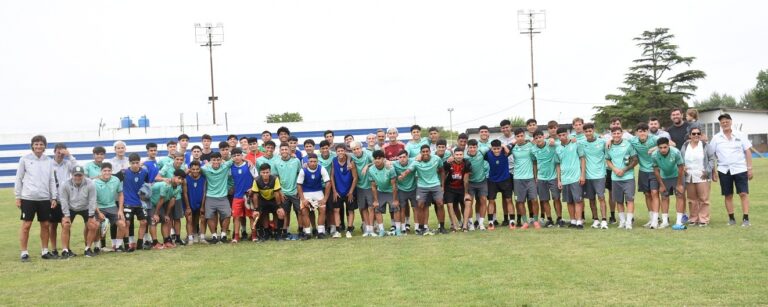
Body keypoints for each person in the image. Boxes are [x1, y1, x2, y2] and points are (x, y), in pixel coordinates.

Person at [15, 135, 59, 261]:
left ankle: (45, 251)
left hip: (44, 198)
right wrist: (18, 196)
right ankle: (24, 252)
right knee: (26, 225)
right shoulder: (24, 159)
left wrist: (54, 197)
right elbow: (19, 178)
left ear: (45, 146)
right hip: (28, 198)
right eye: (36, 144)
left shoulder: (49, 161)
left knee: (45, 225)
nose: (39, 146)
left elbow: (51, 180)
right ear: (32, 145)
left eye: (41, 144)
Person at [710, 113, 754, 227]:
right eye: (722, 122)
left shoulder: (740, 135)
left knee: (743, 193)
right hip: (724, 170)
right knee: (728, 195)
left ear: (731, 122)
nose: (725, 124)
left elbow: (748, 151)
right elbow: (711, 155)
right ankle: (731, 218)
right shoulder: (716, 138)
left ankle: (746, 218)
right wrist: (713, 171)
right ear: (720, 124)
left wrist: (749, 168)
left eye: (726, 121)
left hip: (740, 169)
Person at [58, 166, 98, 258]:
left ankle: (88, 249)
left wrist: (91, 215)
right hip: (71, 207)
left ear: (83, 175)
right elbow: (63, 200)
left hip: (85, 207)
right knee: (66, 225)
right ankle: (65, 250)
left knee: (93, 225)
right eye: (75, 175)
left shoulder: (90, 183)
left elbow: (92, 200)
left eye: (80, 175)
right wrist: (66, 215)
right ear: (72, 175)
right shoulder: (65, 184)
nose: (78, 177)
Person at [680, 127, 715, 227]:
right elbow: (681, 158)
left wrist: (708, 170)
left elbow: (712, 159)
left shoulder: (705, 145)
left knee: (704, 199)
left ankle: (703, 219)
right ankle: (693, 218)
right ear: (690, 135)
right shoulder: (685, 145)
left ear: (700, 135)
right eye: (693, 133)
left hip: (702, 175)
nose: (696, 135)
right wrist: (683, 167)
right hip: (689, 176)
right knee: (691, 199)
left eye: (698, 133)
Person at [605, 127, 639, 230]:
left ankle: (629, 222)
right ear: (611, 134)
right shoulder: (608, 146)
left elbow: (635, 160)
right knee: (618, 201)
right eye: (614, 133)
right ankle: (622, 221)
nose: (616, 135)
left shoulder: (628, 144)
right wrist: (615, 169)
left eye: (618, 133)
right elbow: (608, 160)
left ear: (622, 133)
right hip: (615, 178)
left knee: (630, 199)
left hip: (628, 177)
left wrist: (624, 170)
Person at [628, 123, 660, 228]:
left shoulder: (654, 139)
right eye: (640, 131)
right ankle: (651, 219)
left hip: (655, 170)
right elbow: (620, 140)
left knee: (654, 193)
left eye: (645, 131)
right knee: (647, 194)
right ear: (637, 133)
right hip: (643, 171)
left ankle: (655, 220)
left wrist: (655, 148)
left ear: (648, 131)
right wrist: (609, 140)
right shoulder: (633, 140)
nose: (642, 133)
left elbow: (670, 144)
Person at [408, 145, 445, 235]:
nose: (425, 153)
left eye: (426, 151)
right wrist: (402, 176)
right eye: (423, 151)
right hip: (422, 186)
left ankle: (442, 227)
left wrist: (442, 185)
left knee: (440, 203)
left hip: (435, 184)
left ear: (430, 152)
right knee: (420, 205)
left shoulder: (436, 159)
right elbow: (408, 169)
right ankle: (421, 228)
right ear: (420, 153)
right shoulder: (416, 161)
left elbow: (442, 170)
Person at [49, 143, 78, 258]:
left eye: (63, 152)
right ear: (54, 152)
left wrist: (70, 155)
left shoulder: (68, 164)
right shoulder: (49, 164)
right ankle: (54, 249)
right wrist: (52, 197)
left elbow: (78, 169)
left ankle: (67, 248)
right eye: (58, 152)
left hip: (67, 199)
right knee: (52, 225)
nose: (60, 154)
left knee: (66, 224)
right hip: (53, 199)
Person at [651, 137, 686, 230]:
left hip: (676, 176)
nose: (663, 149)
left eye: (665, 147)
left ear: (668, 145)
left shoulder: (676, 152)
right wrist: (661, 185)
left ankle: (679, 221)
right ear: (658, 147)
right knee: (664, 197)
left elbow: (681, 168)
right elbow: (656, 170)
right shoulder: (654, 155)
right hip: (664, 177)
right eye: (660, 148)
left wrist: (679, 184)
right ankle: (665, 221)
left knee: (679, 195)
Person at [555, 127, 586, 229]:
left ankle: (579, 222)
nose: (562, 137)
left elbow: (582, 159)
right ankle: (572, 221)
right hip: (565, 179)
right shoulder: (558, 148)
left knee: (578, 200)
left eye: (564, 135)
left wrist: (582, 175)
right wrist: (559, 180)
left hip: (576, 178)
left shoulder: (575, 144)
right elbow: (558, 165)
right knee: (569, 201)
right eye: (559, 135)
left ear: (567, 134)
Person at [200, 152, 234, 243]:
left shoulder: (225, 166)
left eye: (218, 160)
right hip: (210, 197)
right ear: (211, 161)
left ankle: (223, 235)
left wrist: (247, 161)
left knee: (227, 215)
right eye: (214, 160)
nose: (216, 162)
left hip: (223, 197)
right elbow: (194, 169)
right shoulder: (205, 168)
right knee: (209, 217)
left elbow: (235, 158)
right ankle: (214, 236)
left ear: (221, 160)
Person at [579, 123, 608, 229]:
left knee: (601, 197)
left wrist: (610, 140)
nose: (588, 133)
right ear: (584, 132)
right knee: (591, 199)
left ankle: (604, 220)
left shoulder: (602, 142)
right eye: (586, 131)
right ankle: (596, 220)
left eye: (590, 131)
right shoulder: (581, 143)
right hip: (587, 176)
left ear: (593, 131)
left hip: (600, 175)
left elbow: (611, 145)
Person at [93, 163, 128, 252]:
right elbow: (92, 200)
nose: (107, 173)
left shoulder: (116, 180)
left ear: (112, 171)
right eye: (105, 171)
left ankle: (118, 246)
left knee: (122, 224)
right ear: (101, 171)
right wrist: (98, 212)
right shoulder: (94, 182)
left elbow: (120, 194)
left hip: (112, 207)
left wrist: (120, 210)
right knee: (96, 225)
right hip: (99, 208)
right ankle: (97, 247)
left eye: (109, 171)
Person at [297, 153, 332, 239]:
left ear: (317, 161)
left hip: (318, 192)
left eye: (314, 161)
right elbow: (299, 185)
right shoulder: (303, 170)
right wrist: (303, 199)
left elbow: (328, 183)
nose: (312, 163)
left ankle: (320, 232)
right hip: (306, 193)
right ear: (308, 162)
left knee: (322, 209)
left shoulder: (321, 169)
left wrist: (325, 198)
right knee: (304, 211)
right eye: (311, 161)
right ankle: (308, 233)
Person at [149, 170, 186, 249]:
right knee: (153, 221)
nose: (180, 180)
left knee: (166, 220)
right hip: (150, 202)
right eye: (179, 178)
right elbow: (161, 199)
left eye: (182, 179)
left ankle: (166, 241)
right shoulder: (165, 185)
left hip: (159, 204)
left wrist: (166, 214)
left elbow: (172, 201)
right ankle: (154, 243)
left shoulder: (178, 187)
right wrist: (155, 214)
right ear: (173, 176)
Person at [509, 130, 538, 229]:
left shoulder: (530, 145)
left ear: (524, 136)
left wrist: (535, 176)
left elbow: (534, 162)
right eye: (518, 136)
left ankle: (536, 220)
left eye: (522, 135)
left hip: (530, 178)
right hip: (517, 178)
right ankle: (525, 222)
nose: (520, 138)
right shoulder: (513, 148)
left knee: (534, 200)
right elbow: (504, 153)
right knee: (520, 201)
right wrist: (511, 144)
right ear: (515, 137)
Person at [121, 153, 151, 251]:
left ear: (140, 162)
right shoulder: (124, 172)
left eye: (137, 163)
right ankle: (127, 245)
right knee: (127, 223)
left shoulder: (145, 172)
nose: (135, 165)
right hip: (128, 202)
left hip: (140, 202)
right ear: (129, 163)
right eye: (133, 163)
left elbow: (147, 184)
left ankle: (139, 244)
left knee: (144, 222)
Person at [273, 142, 302, 239]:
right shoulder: (276, 162)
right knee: (285, 212)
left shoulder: (296, 161)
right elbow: (276, 178)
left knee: (299, 211)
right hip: (283, 193)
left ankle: (301, 230)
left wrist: (299, 189)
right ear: (280, 151)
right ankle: (285, 231)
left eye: (286, 149)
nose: (284, 151)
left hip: (295, 192)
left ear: (289, 150)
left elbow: (300, 175)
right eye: (282, 149)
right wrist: (280, 191)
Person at [368, 150, 400, 236]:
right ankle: (381, 230)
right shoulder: (371, 170)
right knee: (377, 208)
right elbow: (373, 186)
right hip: (380, 191)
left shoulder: (390, 168)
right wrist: (375, 200)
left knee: (396, 208)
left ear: (383, 159)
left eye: (379, 158)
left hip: (390, 191)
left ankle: (398, 230)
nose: (377, 160)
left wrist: (395, 199)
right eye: (375, 158)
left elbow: (394, 185)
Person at [531, 130, 558, 228]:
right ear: (534, 140)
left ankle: (559, 219)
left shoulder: (551, 144)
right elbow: (534, 163)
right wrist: (535, 176)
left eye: (540, 137)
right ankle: (549, 220)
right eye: (536, 138)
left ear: (543, 137)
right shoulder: (533, 149)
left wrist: (552, 139)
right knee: (544, 200)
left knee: (557, 198)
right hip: (541, 178)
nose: (538, 139)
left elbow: (563, 141)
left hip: (553, 176)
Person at [330, 144, 358, 238]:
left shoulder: (351, 162)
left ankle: (349, 230)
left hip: (349, 191)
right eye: (338, 151)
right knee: (336, 210)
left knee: (350, 210)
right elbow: (332, 177)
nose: (340, 152)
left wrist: (351, 192)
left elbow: (355, 178)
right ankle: (337, 231)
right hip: (338, 191)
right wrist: (334, 191)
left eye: (342, 151)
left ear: (345, 151)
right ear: (336, 152)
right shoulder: (334, 161)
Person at [251, 164, 284, 241]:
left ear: (270, 172)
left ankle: (278, 234)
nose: (265, 174)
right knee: (260, 215)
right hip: (262, 200)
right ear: (260, 173)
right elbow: (255, 195)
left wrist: (279, 207)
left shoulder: (275, 179)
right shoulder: (256, 180)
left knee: (280, 213)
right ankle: (265, 234)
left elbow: (276, 193)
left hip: (273, 199)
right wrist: (256, 209)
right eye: (263, 172)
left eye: (267, 172)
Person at [229, 148, 256, 243]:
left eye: (238, 155)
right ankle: (236, 237)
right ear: (232, 157)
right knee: (236, 217)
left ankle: (254, 236)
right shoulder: (230, 167)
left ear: (241, 155)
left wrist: (253, 188)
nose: (236, 157)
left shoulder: (249, 165)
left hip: (248, 196)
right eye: (234, 156)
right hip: (237, 196)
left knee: (251, 216)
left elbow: (256, 178)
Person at [443, 148, 472, 231]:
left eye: (460, 154)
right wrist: (443, 188)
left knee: (468, 202)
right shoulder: (448, 163)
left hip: (461, 188)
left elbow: (466, 180)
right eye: (457, 155)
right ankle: (454, 225)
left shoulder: (466, 163)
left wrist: (466, 193)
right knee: (450, 205)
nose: (459, 156)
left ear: (463, 155)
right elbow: (443, 175)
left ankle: (465, 226)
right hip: (450, 188)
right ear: (454, 155)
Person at [350, 141, 375, 236]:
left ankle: (372, 229)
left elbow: (375, 161)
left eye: (357, 148)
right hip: (359, 186)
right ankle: (367, 228)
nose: (356, 151)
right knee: (363, 208)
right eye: (354, 149)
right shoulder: (352, 157)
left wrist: (367, 166)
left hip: (369, 185)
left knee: (371, 208)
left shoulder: (367, 154)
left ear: (361, 148)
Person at [465, 139, 489, 231]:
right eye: (470, 147)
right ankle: (470, 224)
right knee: (469, 202)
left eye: (474, 147)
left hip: (482, 181)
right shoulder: (464, 157)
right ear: (468, 147)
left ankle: (481, 223)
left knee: (483, 200)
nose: (472, 149)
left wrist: (503, 146)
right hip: (470, 183)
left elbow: (493, 146)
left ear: (477, 147)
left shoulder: (482, 151)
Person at [183, 161, 207, 243]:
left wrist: (203, 206)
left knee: (201, 218)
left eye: (197, 169)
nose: (195, 171)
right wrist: (188, 207)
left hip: (200, 202)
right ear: (190, 169)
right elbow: (185, 193)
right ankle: (190, 239)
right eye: (193, 169)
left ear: (200, 169)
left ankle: (201, 237)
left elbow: (204, 192)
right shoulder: (186, 179)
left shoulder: (204, 178)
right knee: (189, 219)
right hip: (190, 202)